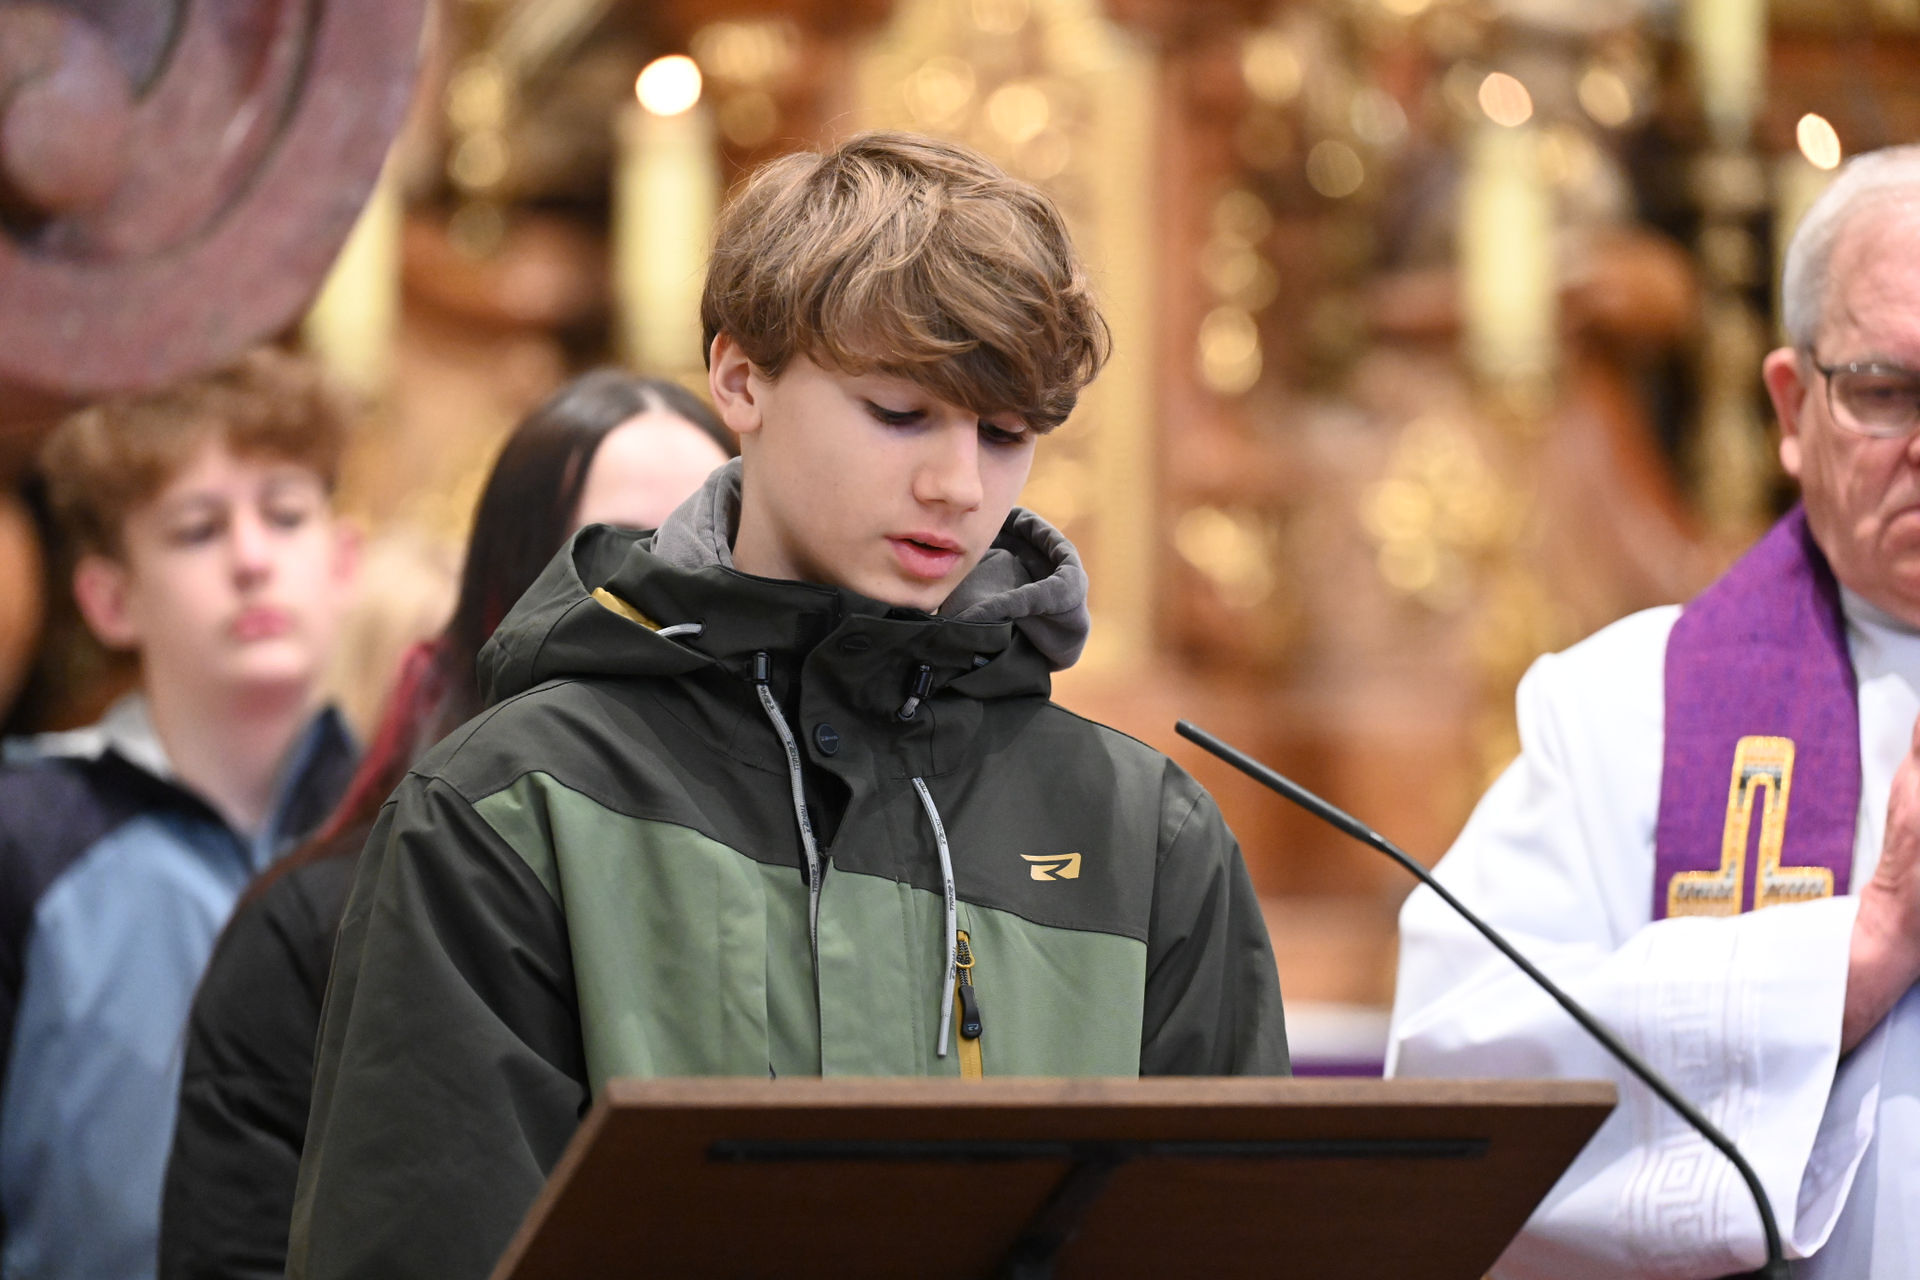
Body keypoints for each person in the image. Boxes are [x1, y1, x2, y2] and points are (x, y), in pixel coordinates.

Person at [288, 131, 1289, 1280]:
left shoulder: (1144, 833)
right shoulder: (514, 803)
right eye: (900, 411)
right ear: (740, 380)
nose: (959, 484)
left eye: (1006, 433)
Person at [1388, 144, 1920, 1279]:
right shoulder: (1624, 710)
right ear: (1792, 407)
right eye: (1885, 391)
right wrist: (1861, 949)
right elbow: (1454, 1098)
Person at [157, 369, 734, 1280]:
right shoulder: (318, 924)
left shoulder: (808, 878)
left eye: (721, 536)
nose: (686, 593)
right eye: (626, 546)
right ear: (515, 586)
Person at [0, 348, 360, 1280]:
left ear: (342, 560)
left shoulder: (411, 821)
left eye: (286, 515)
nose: (252, 559)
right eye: (198, 529)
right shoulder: (27, 834)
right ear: (110, 600)